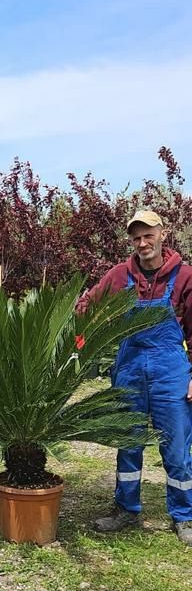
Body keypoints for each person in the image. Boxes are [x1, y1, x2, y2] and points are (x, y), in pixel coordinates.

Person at [76, 210, 192, 545]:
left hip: (170, 371)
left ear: (162, 234)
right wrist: (80, 347)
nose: (142, 243)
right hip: (128, 368)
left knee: (177, 446)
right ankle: (126, 508)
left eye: (148, 235)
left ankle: (184, 516)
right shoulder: (118, 276)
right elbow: (84, 311)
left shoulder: (184, 277)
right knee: (128, 441)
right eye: (136, 238)